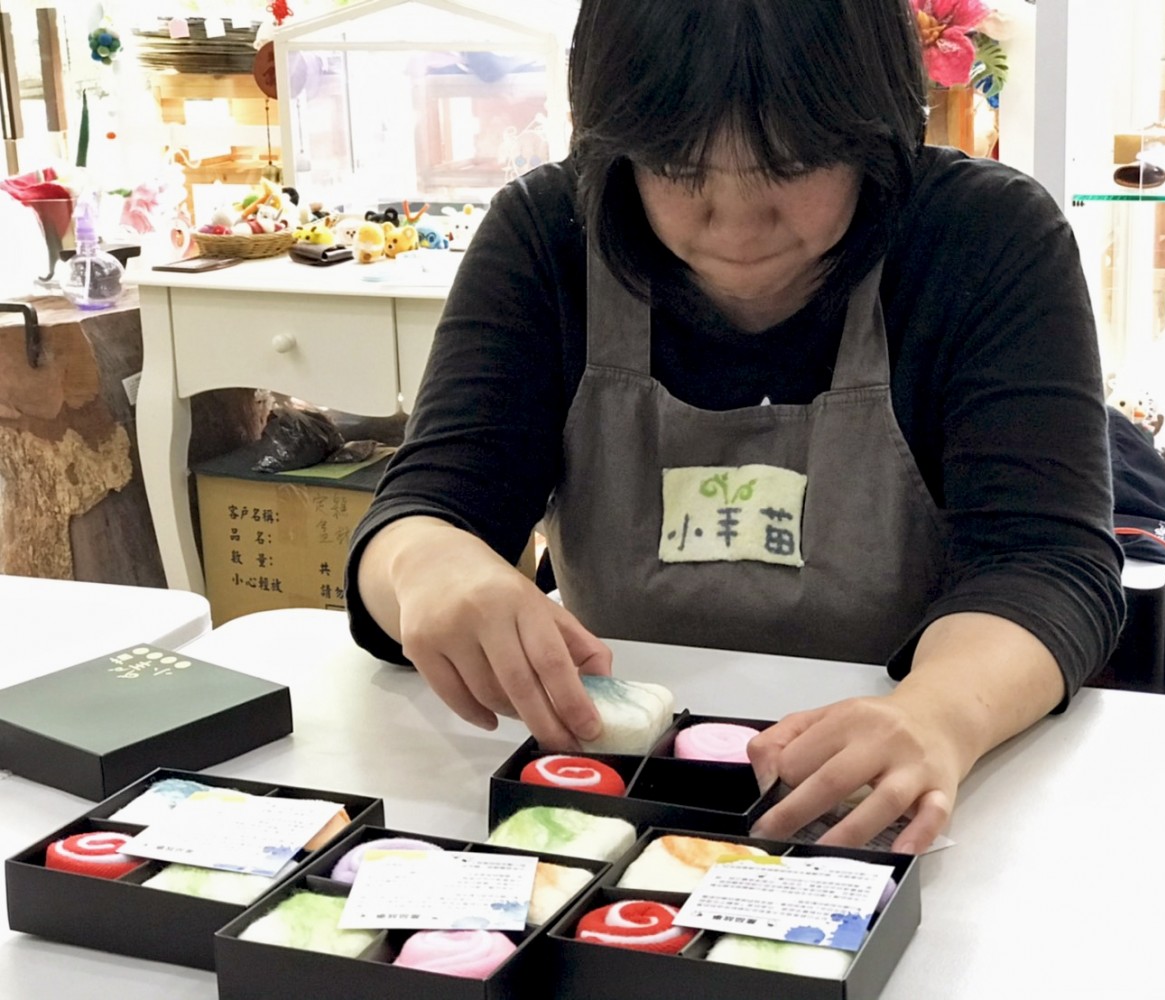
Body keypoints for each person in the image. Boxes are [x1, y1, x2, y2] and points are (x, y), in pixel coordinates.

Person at [348, 0, 1125, 854]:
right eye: (678, 166)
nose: (738, 224)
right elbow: (422, 513)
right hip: (611, 798)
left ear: (877, 130)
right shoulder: (548, 236)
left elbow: (1047, 566)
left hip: (894, 800)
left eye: (792, 164)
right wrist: (428, 565)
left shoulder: (983, 239)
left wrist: (940, 714)